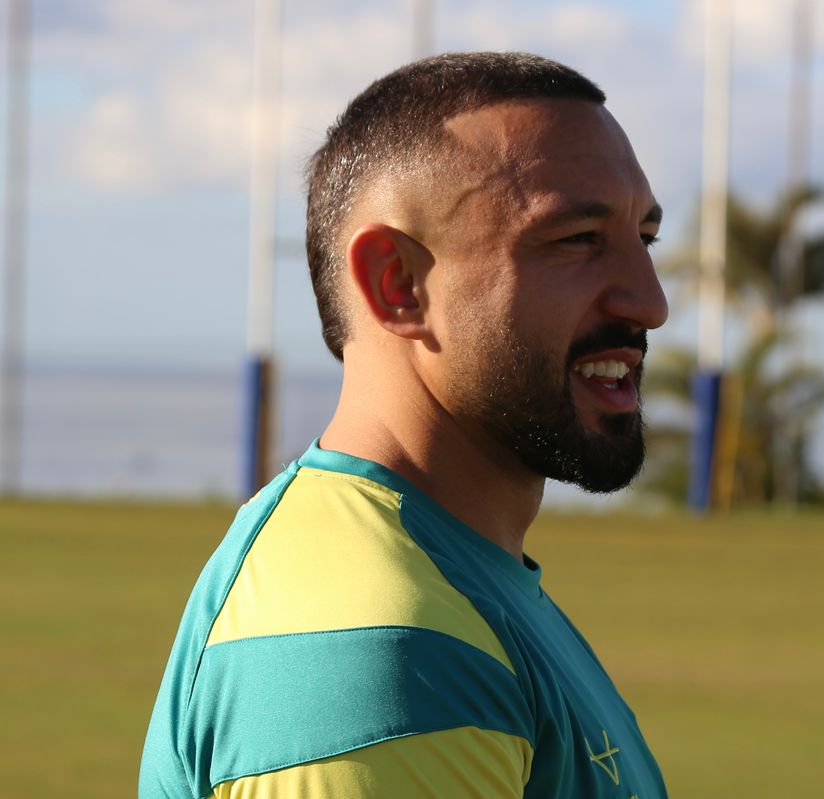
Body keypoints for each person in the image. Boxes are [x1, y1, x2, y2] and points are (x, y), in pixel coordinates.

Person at [138, 52, 669, 798]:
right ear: (398, 284)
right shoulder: (381, 649)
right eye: (576, 240)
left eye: (643, 238)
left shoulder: (450, 580)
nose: (649, 302)